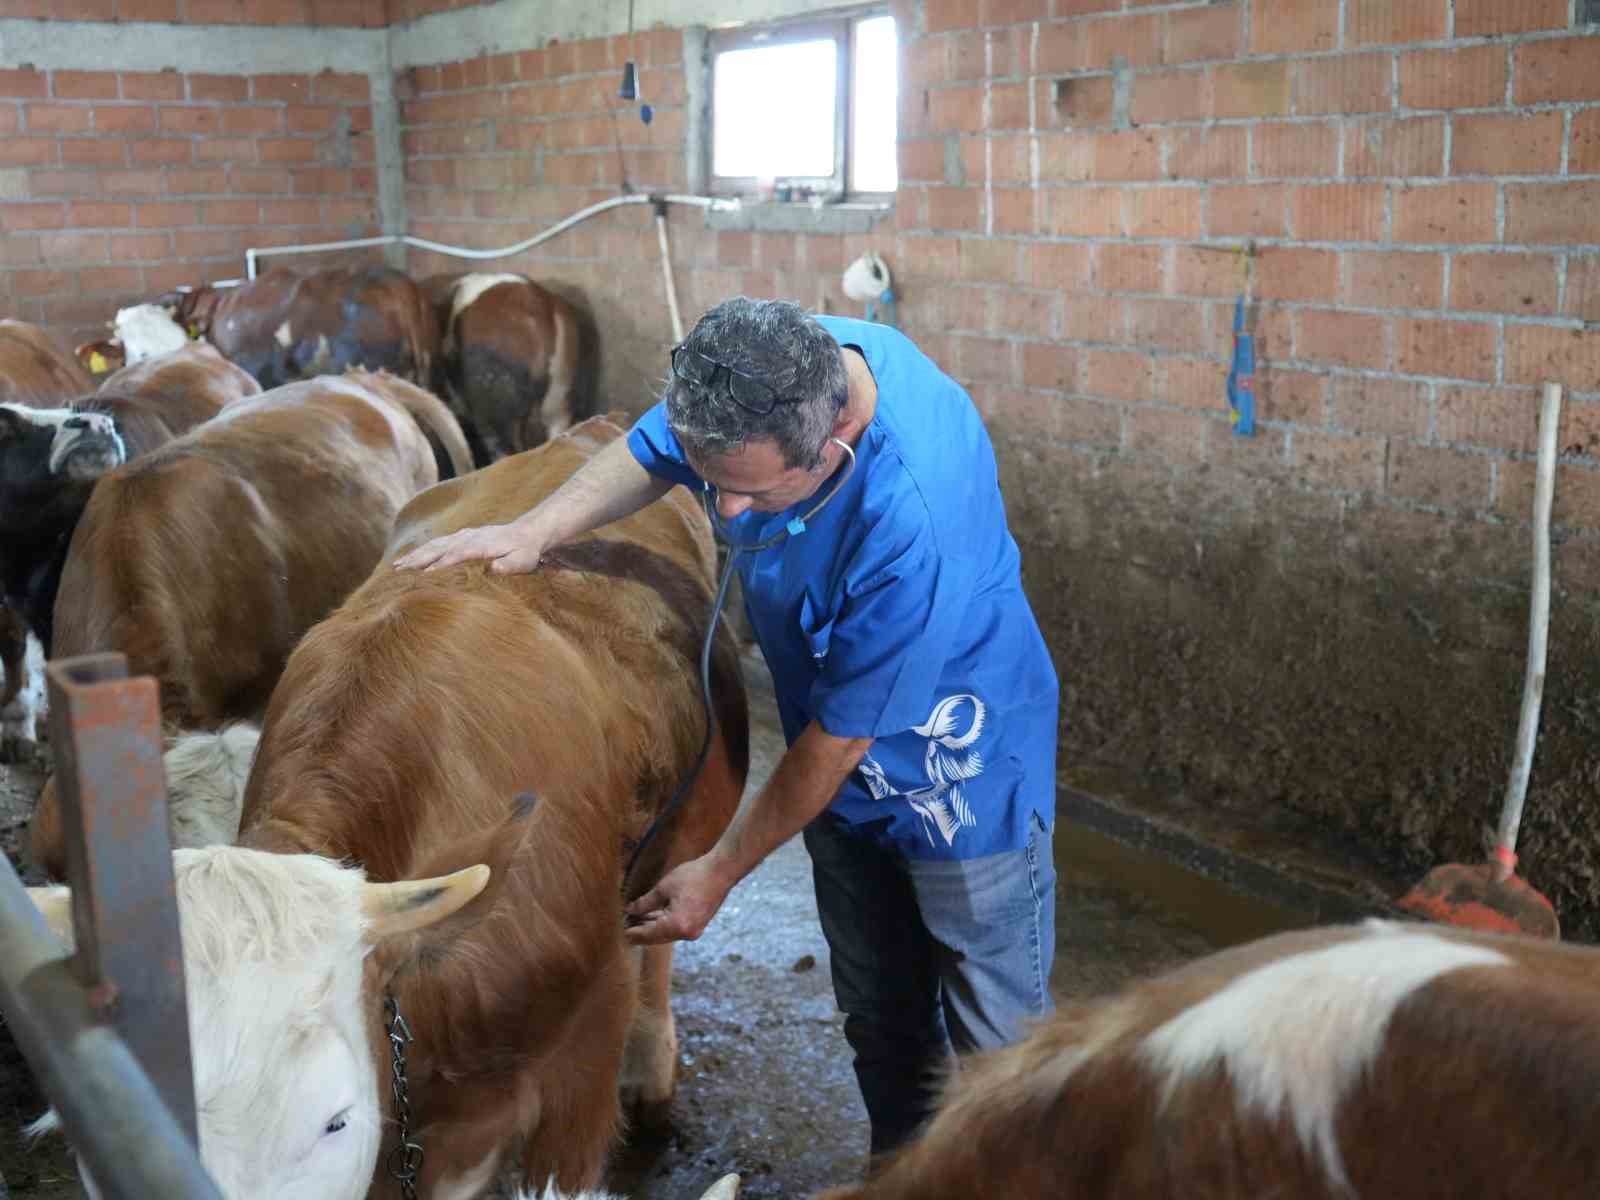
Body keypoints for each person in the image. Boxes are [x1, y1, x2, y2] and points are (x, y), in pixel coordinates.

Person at [395, 298, 1060, 1159]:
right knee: (878, 1009)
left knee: (992, 1026)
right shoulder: (757, 377)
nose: (728, 515)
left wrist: (719, 870)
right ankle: (902, 1174)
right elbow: (649, 449)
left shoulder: (912, 525)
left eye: (751, 489)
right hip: (843, 773)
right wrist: (532, 532)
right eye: (712, 482)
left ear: (840, 438)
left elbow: (832, 743)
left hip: (963, 772)